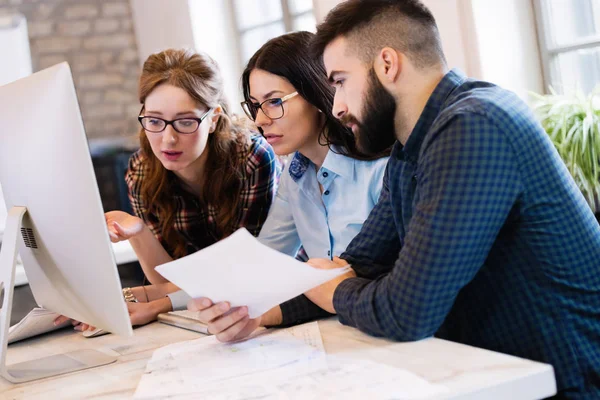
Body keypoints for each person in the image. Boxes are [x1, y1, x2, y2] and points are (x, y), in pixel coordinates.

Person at [191, 1, 600, 398]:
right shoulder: (411, 145)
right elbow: (364, 262)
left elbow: (407, 312)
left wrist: (335, 290)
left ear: (387, 64)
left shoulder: (473, 125)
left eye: (339, 81)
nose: (337, 106)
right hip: (491, 372)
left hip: (560, 381)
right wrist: (261, 313)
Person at [164, 32, 390, 325]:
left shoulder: (381, 169)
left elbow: (384, 279)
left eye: (273, 102)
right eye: (254, 106)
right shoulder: (295, 177)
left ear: (316, 92)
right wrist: (162, 303)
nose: (259, 120)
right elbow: (261, 264)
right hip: (339, 333)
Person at [56, 49, 280, 331]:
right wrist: (138, 233)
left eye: (186, 121)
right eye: (154, 121)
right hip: (199, 318)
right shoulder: (142, 171)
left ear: (213, 119)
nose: (168, 139)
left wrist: (155, 303)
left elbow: (246, 273)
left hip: (266, 311)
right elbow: (162, 283)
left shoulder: (252, 158)